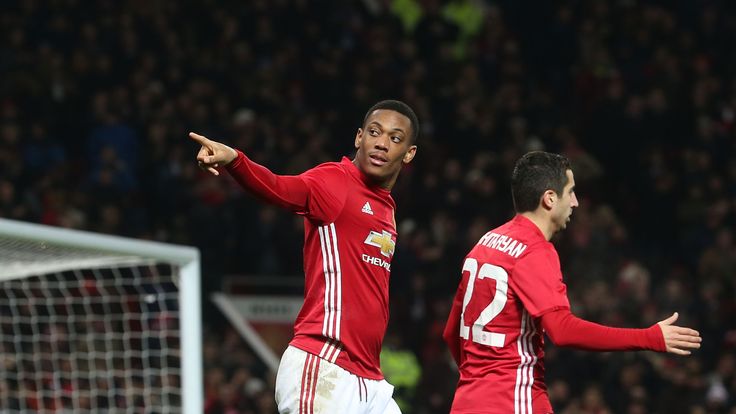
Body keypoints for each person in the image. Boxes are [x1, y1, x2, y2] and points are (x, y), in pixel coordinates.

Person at [189, 100, 418, 413]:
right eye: (375, 133)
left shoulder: (386, 207)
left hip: (369, 379)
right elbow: (279, 187)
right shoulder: (335, 181)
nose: (381, 143)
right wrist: (235, 161)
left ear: (409, 153)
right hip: (324, 365)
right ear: (358, 138)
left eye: (394, 138)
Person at [442, 151, 702, 414]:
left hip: (466, 401)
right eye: (571, 192)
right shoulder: (534, 250)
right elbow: (563, 331)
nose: (576, 202)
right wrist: (648, 337)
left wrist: (480, 379)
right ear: (550, 199)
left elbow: (452, 332)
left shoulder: (484, 244)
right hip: (514, 400)